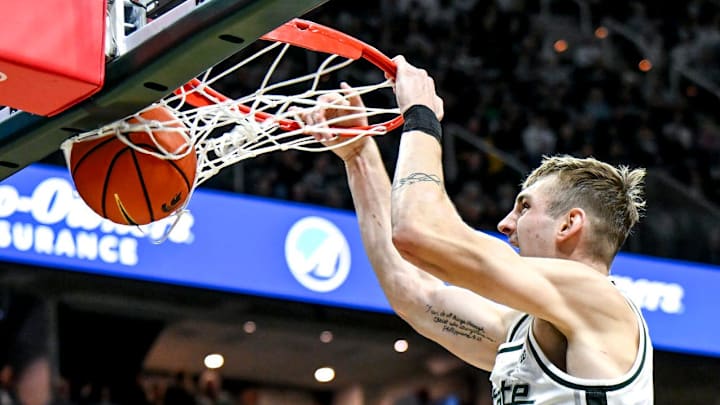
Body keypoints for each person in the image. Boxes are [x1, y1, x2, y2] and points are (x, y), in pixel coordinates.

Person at [303, 55, 653, 404]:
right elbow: (413, 293)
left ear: (569, 224)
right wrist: (359, 154)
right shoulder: (518, 330)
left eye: (525, 207)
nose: (505, 223)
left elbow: (418, 232)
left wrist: (421, 114)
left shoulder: (595, 297)